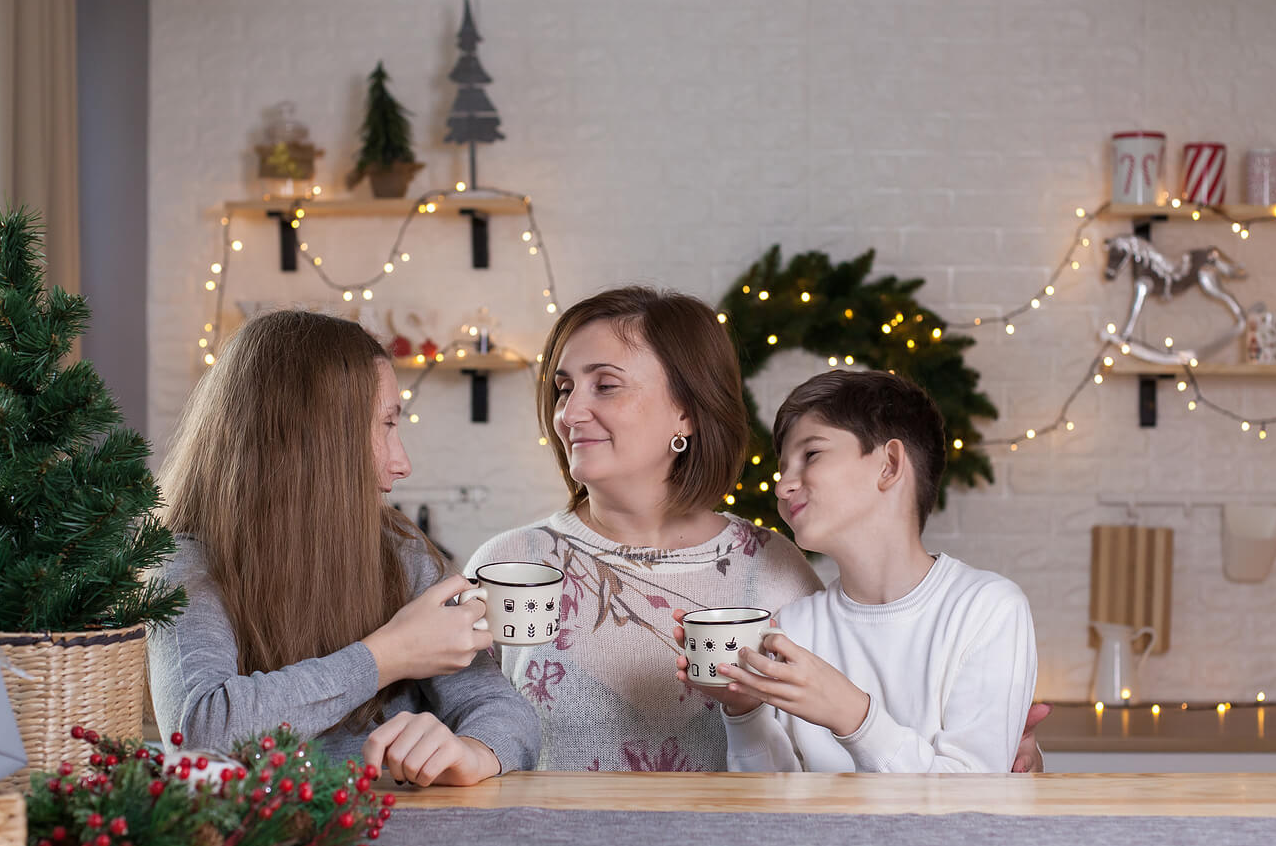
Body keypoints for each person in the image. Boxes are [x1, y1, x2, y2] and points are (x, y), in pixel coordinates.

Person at [468, 286, 1047, 772]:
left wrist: (999, 757)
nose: (567, 412)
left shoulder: (773, 571)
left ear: (686, 413)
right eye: (564, 388)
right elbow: (451, 719)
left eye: (606, 384)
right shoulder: (507, 562)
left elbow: (820, 763)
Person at [149, 310, 539, 786]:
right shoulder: (183, 564)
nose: (402, 464)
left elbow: (503, 711)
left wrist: (473, 751)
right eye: (386, 426)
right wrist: (386, 656)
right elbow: (197, 734)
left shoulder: (399, 552)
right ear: (313, 443)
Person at [684, 369, 1037, 773]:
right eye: (782, 469)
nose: (782, 487)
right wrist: (745, 711)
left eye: (811, 455)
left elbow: (972, 797)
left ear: (888, 464)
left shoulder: (988, 610)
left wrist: (854, 716)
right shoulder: (795, 626)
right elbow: (773, 800)